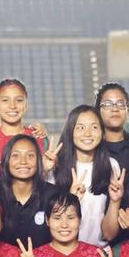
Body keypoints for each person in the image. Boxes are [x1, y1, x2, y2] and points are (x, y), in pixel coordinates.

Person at [47, 105, 120, 247]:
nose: (87, 133)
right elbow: (46, 221)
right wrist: (70, 199)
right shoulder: (55, 167)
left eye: (94, 127)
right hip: (63, 252)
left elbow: (109, 234)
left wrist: (116, 201)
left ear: (102, 132)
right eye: (80, 127)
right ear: (70, 131)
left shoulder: (111, 166)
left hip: (99, 253)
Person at [24, 193, 117, 257]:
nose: (64, 225)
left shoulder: (97, 255)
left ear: (80, 220)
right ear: (47, 220)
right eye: (57, 218)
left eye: (71, 218)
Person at [0, 134, 56, 247]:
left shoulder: (54, 195)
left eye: (30, 155)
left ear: (39, 161)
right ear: (6, 160)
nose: (23, 162)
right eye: (15, 155)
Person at [0, 79, 47, 185]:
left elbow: (42, 178)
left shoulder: (37, 137)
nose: (12, 106)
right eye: (5, 100)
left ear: (26, 104)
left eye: (19, 100)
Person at [96, 82, 129, 172]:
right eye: (107, 104)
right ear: (98, 111)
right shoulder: (91, 147)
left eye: (120, 104)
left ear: (128, 111)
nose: (115, 109)